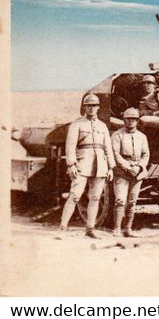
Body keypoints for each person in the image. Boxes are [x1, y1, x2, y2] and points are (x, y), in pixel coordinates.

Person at [58, 93, 114, 239]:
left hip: (100, 165)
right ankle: (62, 228)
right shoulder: (77, 124)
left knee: (95, 197)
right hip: (83, 163)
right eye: (88, 105)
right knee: (75, 195)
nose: (91, 108)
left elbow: (108, 147)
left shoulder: (102, 126)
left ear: (98, 107)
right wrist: (71, 165)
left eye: (94, 105)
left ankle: (90, 228)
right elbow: (70, 146)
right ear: (84, 107)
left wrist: (110, 167)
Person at [110, 109, 149, 238]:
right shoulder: (117, 135)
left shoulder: (142, 136)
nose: (131, 121)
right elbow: (115, 154)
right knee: (120, 200)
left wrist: (139, 167)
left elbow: (146, 154)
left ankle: (128, 229)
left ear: (137, 121)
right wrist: (127, 167)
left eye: (134, 119)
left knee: (132, 202)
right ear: (124, 120)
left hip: (137, 172)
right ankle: (116, 229)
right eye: (128, 119)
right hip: (122, 171)